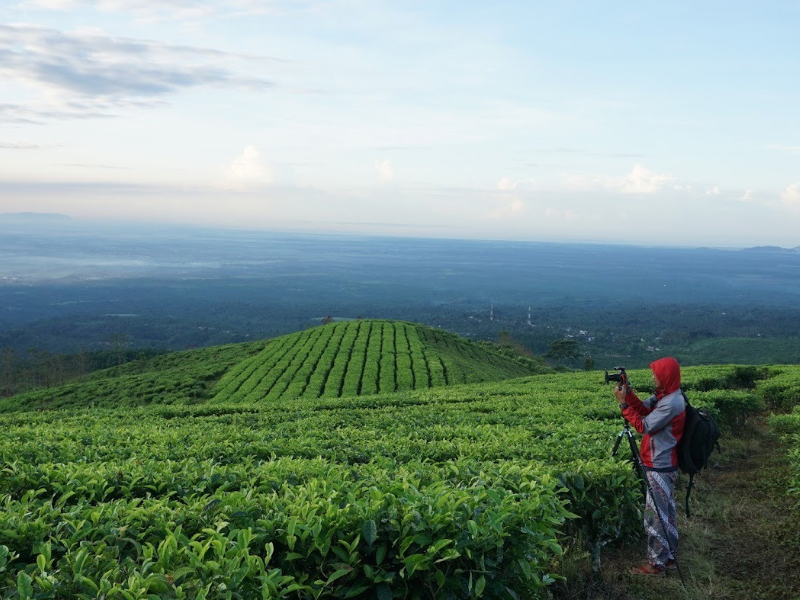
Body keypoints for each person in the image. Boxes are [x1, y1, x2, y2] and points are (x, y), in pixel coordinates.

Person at [613, 357, 686, 576]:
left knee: (654, 516)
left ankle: (656, 564)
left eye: (656, 374)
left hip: (659, 464)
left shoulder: (671, 403)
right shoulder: (665, 396)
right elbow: (644, 409)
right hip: (662, 462)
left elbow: (643, 426)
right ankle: (669, 556)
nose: (653, 377)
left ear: (665, 376)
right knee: (666, 513)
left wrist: (623, 404)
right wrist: (630, 395)